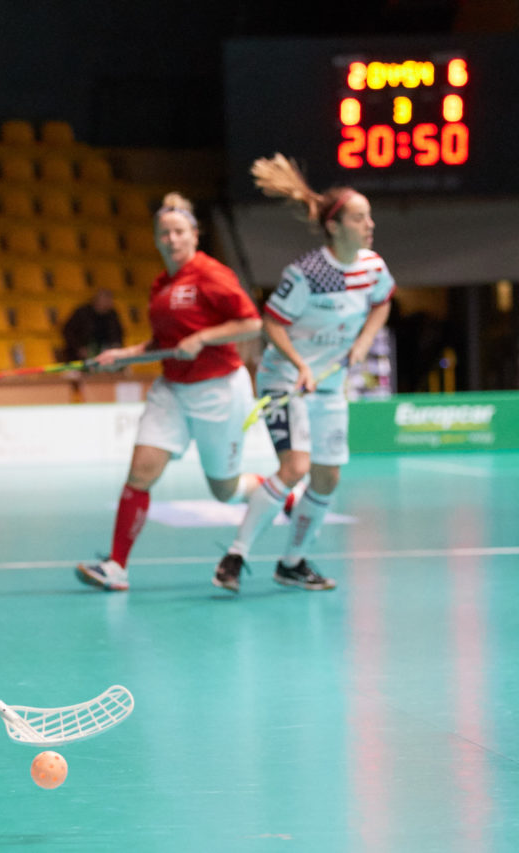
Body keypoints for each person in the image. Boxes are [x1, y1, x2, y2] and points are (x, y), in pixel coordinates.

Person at [212, 154, 394, 593]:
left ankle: (292, 562)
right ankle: (234, 556)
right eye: (359, 217)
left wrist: (365, 341)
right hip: (285, 382)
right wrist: (299, 365)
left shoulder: (372, 267)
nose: (369, 224)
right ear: (334, 226)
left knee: (328, 476)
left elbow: (383, 301)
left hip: (328, 387)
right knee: (295, 466)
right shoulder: (308, 274)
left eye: (369, 216)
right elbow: (271, 322)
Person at [75, 193, 264, 592]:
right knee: (140, 471)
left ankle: (275, 493)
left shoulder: (211, 274)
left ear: (194, 234)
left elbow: (251, 323)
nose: (172, 239)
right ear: (157, 240)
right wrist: (123, 355)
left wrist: (205, 337)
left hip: (219, 390)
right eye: (164, 233)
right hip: (173, 389)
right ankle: (116, 567)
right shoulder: (161, 284)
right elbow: (161, 342)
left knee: (225, 490)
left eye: (179, 231)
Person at [60, 287, 124, 362]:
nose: (108, 302)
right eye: (105, 299)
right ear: (96, 300)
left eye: (109, 300)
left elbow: (118, 333)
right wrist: (79, 348)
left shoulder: (112, 315)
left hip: (105, 351)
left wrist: (116, 346)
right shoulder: (82, 313)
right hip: (80, 354)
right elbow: (68, 331)